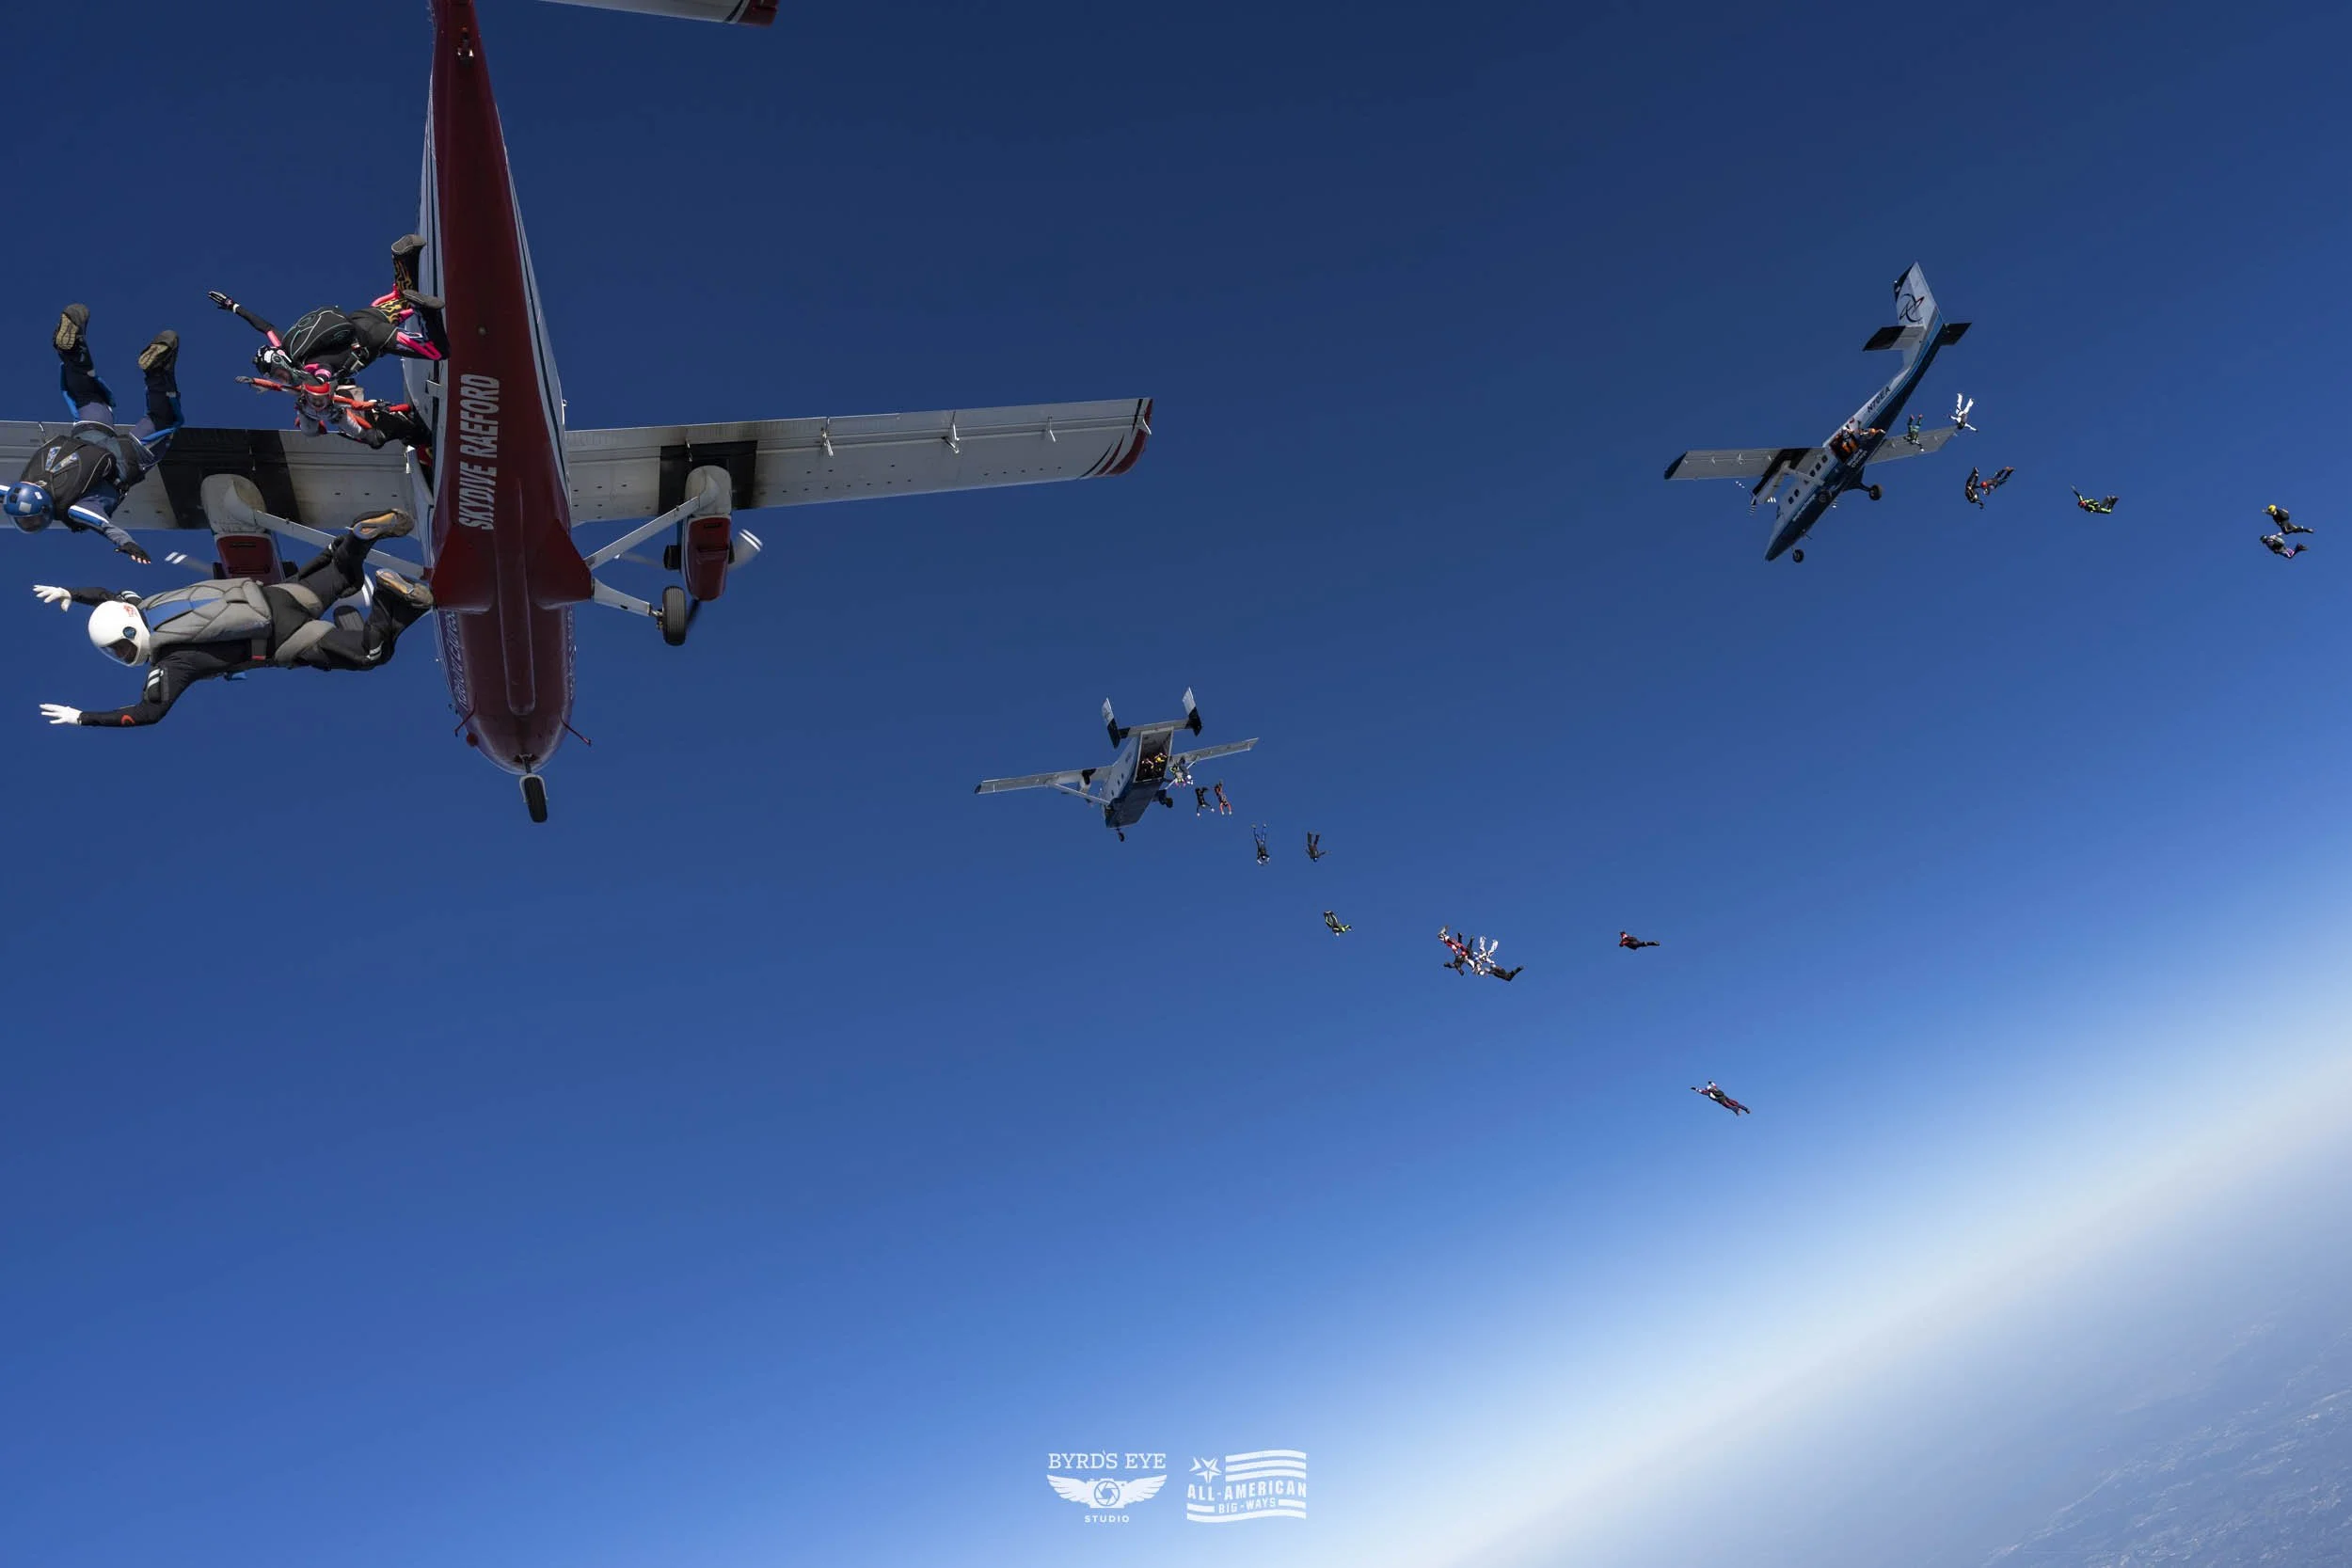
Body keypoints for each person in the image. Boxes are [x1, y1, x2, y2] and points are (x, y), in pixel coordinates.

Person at [33, 511, 433, 728]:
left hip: (286, 638)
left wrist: (83, 717)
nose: (125, 654)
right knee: (343, 573)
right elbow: (108, 595)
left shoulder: (171, 662)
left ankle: (391, 599)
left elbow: (146, 714)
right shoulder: (144, 603)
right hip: (278, 595)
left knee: (369, 654)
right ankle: (358, 537)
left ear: (128, 630)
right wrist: (71, 593)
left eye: (120, 648)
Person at [5, 306, 183, 563]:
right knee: (88, 396)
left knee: (163, 421)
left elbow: (105, 527)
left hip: (124, 459)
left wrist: (129, 544)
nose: (31, 523)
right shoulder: (20, 487)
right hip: (85, 437)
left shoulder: (75, 510)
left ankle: (159, 372)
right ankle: (72, 351)